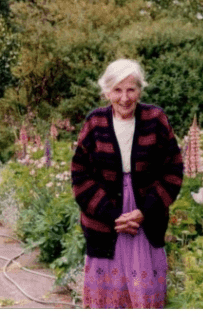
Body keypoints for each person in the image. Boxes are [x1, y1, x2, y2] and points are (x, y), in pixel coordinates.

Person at [71, 59, 183, 308]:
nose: (124, 98)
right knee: (108, 298)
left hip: (146, 216)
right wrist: (113, 216)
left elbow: (172, 172)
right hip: (105, 218)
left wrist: (144, 211)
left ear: (140, 90)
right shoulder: (95, 122)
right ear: (106, 92)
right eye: (117, 90)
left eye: (131, 89)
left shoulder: (156, 119)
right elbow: (80, 176)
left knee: (145, 294)